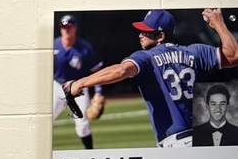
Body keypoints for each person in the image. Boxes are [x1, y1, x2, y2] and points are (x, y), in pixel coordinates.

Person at [67, 9, 238, 147]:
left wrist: (81, 83)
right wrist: (219, 24)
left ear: (160, 36)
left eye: (146, 31)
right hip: (203, 139)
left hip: (175, 144)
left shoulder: (146, 58)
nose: (140, 34)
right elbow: (234, 55)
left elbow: (120, 71)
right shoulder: (196, 52)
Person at [53, 14, 104, 149]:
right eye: (64, 27)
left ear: (74, 28)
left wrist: (98, 92)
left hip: (78, 89)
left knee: (82, 126)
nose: (66, 30)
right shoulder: (54, 45)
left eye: (69, 27)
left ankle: (89, 154)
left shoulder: (84, 48)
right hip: (57, 86)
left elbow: (97, 70)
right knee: (45, 121)